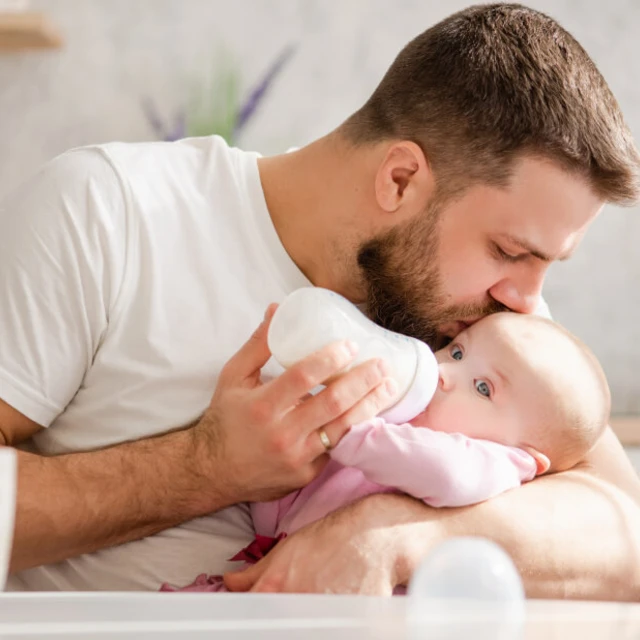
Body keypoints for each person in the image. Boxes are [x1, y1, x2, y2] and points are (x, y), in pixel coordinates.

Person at [0, 3, 639, 596]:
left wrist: (398, 536)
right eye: (509, 250)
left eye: (547, 264)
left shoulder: (485, 323)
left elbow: (624, 533)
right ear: (400, 178)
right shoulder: (108, 213)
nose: (527, 300)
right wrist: (202, 469)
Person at [160, 311, 610, 593]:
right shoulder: (398, 425)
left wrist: (349, 431)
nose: (443, 373)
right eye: (456, 352)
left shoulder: (493, 463)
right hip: (281, 573)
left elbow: (445, 473)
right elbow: (280, 505)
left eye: (483, 387)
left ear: (529, 456)